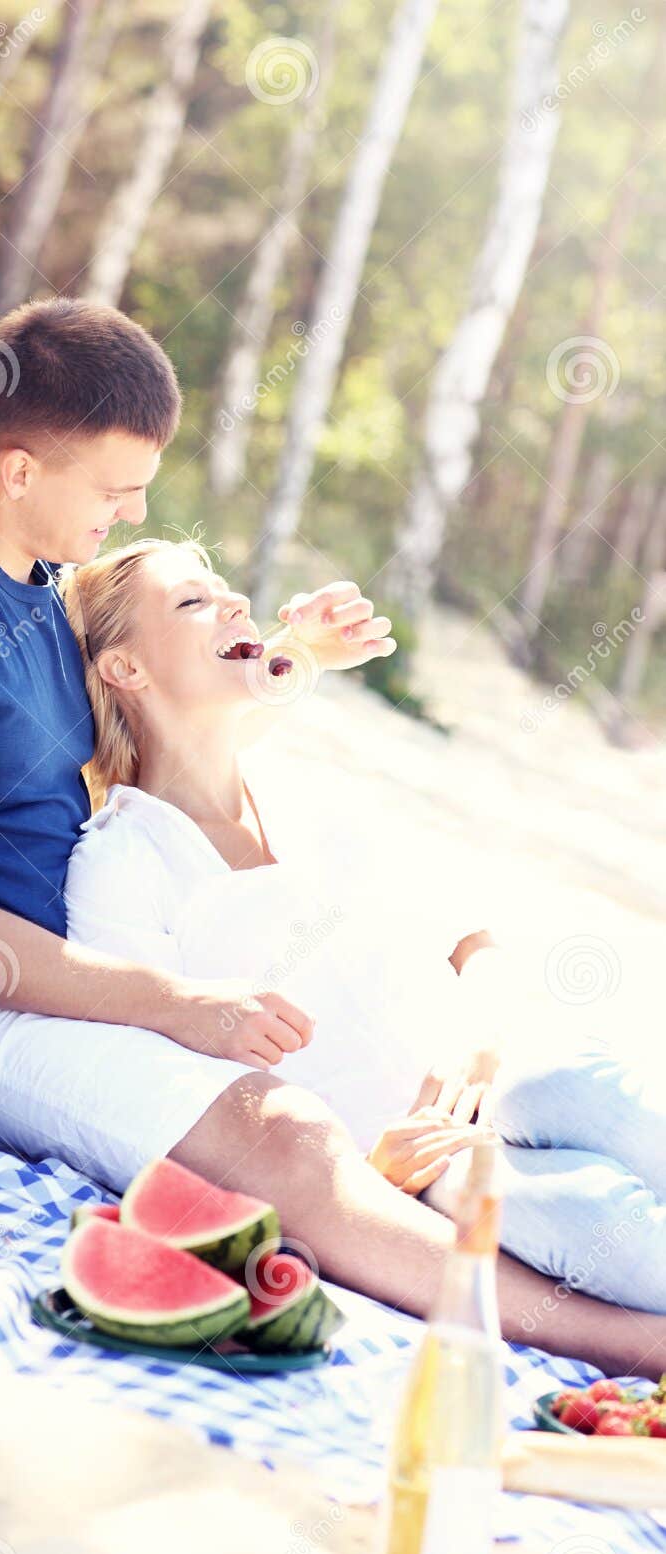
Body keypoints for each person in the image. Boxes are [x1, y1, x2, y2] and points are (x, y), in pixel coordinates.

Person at [0, 295, 666, 1379]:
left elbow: (158, 709)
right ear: (19, 472)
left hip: (66, 966)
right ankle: (629, 1341)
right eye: (113, 488)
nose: (135, 505)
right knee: (286, 1133)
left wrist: (282, 650)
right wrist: (171, 1001)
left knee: (582, 1100)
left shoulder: (34, 577)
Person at [54, 536, 666, 1317]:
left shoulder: (305, 790)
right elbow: (162, 1094)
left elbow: (474, 940)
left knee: (585, 1093)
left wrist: (477, 1045)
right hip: (413, 1161)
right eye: (191, 600)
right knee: (600, 1223)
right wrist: (368, 1175)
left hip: (502, 1069)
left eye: (222, 587)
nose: (234, 602)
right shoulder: (123, 861)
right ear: (125, 669)